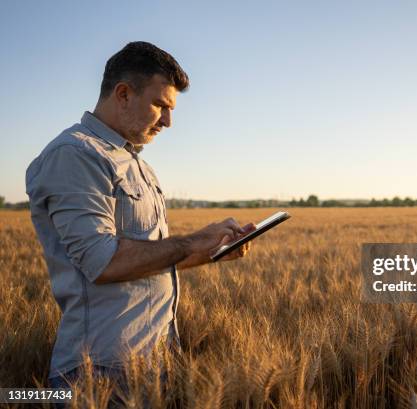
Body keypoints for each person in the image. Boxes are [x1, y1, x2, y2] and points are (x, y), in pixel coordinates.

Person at [25, 41, 255, 402]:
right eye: (160, 105)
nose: (168, 121)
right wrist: (193, 241)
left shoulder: (138, 165)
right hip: (99, 372)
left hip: (156, 362)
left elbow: (149, 260)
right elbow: (102, 261)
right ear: (123, 94)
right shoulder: (75, 155)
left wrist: (212, 252)